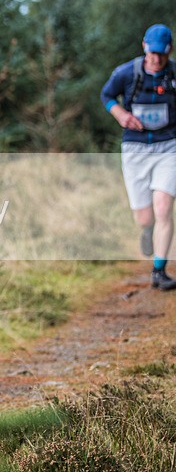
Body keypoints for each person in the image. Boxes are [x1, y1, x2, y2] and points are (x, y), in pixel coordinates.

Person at [101, 23, 176, 290]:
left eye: (163, 55)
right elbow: (107, 95)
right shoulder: (126, 73)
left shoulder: (173, 74)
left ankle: (159, 270)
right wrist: (120, 114)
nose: (157, 59)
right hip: (135, 149)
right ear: (144, 47)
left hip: (168, 147)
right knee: (146, 217)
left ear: (170, 52)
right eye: (153, 53)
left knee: (164, 207)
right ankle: (147, 230)